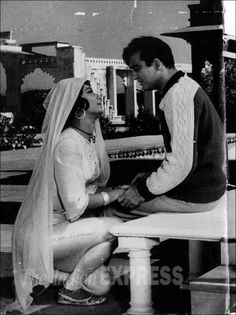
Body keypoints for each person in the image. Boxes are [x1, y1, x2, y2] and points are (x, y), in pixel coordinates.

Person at [11, 78, 124, 311]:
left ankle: (49, 276)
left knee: (101, 284)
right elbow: (76, 205)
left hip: (63, 233)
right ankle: (69, 289)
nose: (98, 95)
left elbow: (89, 188)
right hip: (42, 235)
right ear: (79, 107)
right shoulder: (67, 143)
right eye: (90, 92)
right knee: (113, 226)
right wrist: (112, 196)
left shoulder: (87, 139)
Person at [109, 36, 226, 218]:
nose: (134, 76)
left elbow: (181, 164)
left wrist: (142, 191)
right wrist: (150, 177)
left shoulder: (177, 95)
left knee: (114, 206)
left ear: (156, 64)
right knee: (129, 186)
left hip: (197, 196)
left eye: (137, 68)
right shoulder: (185, 86)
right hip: (208, 189)